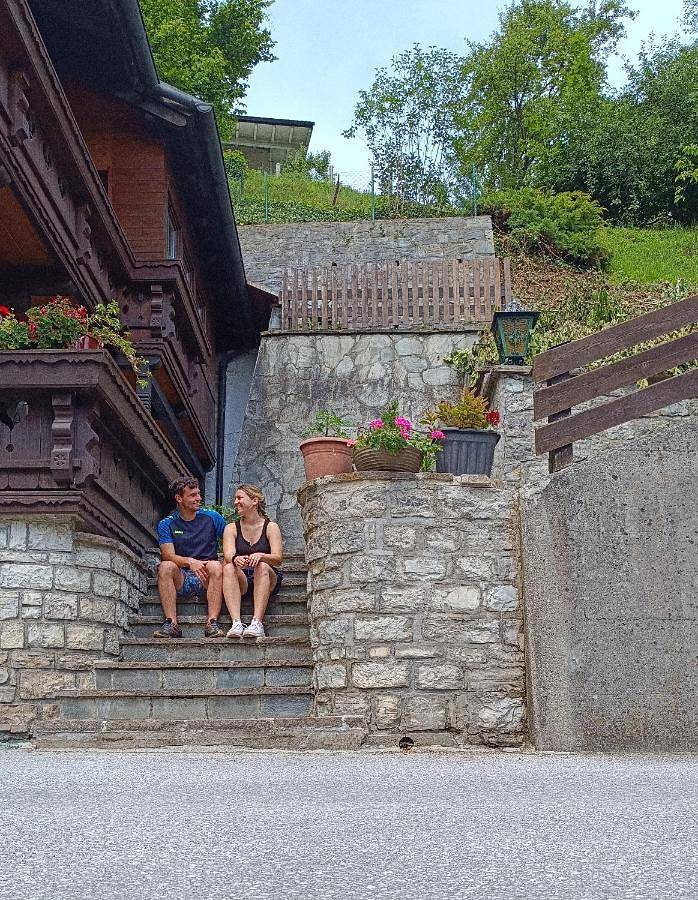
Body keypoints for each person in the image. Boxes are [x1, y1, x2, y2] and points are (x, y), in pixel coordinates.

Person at [154, 478, 227, 638]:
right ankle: (171, 623)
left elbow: (231, 540)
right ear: (179, 498)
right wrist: (189, 561)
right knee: (165, 566)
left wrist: (226, 563)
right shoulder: (167, 523)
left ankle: (212, 623)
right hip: (181, 577)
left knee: (215, 566)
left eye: (199, 494)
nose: (199, 498)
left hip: (207, 577)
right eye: (193, 495)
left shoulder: (212, 517)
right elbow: (168, 555)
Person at [222, 484, 283, 638]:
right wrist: (236, 559)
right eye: (235, 498)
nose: (236, 502)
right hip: (242, 579)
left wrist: (262, 556)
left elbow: (277, 558)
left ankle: (257, 623)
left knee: (261, 566)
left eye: (240, 498)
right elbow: (228, 554)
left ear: (254, 501)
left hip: (266, 577)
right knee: (228, 567)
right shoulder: (231, 528)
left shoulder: (271, 526)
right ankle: (236, 622)